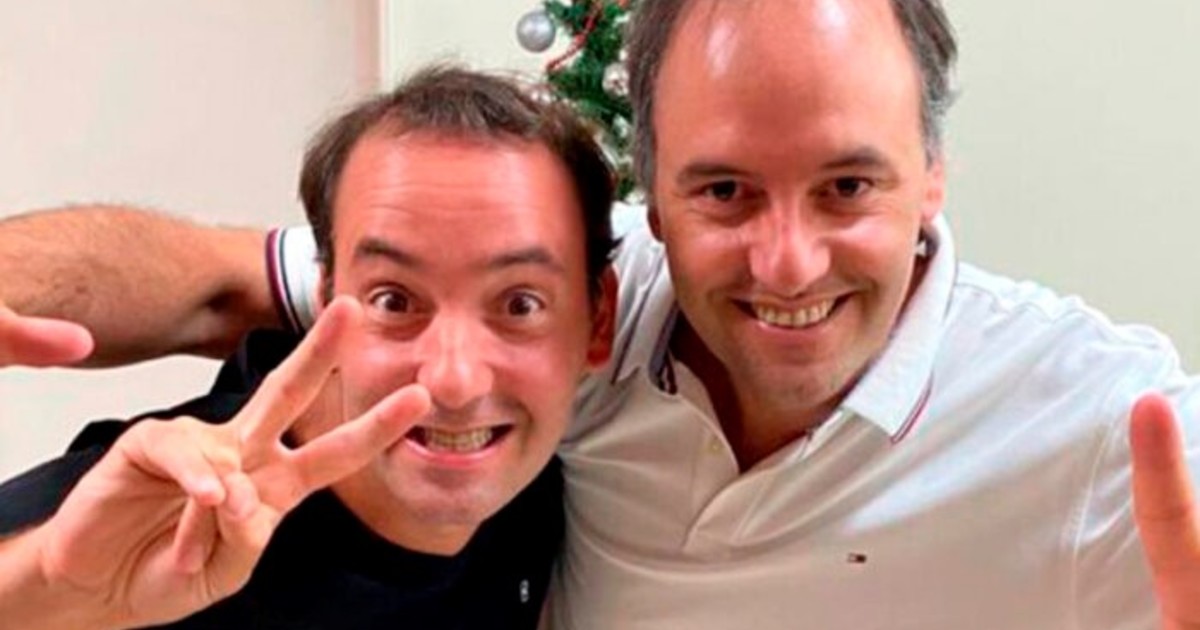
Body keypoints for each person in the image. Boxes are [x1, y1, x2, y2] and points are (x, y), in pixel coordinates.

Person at [2, 1, 1198, 628]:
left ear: (932, 175)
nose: (786, 264)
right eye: (723, 191)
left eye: (848, 185)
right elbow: (213, 278)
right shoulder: (542, 298)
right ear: (653, 202)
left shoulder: (1106, 422)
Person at [0, 66, 617, 629]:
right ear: (324, 300)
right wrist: (43, 589)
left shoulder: (543, 489)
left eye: (519, 305)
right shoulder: (155, 517)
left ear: (598, 320)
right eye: (394, 301)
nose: (454, 381)